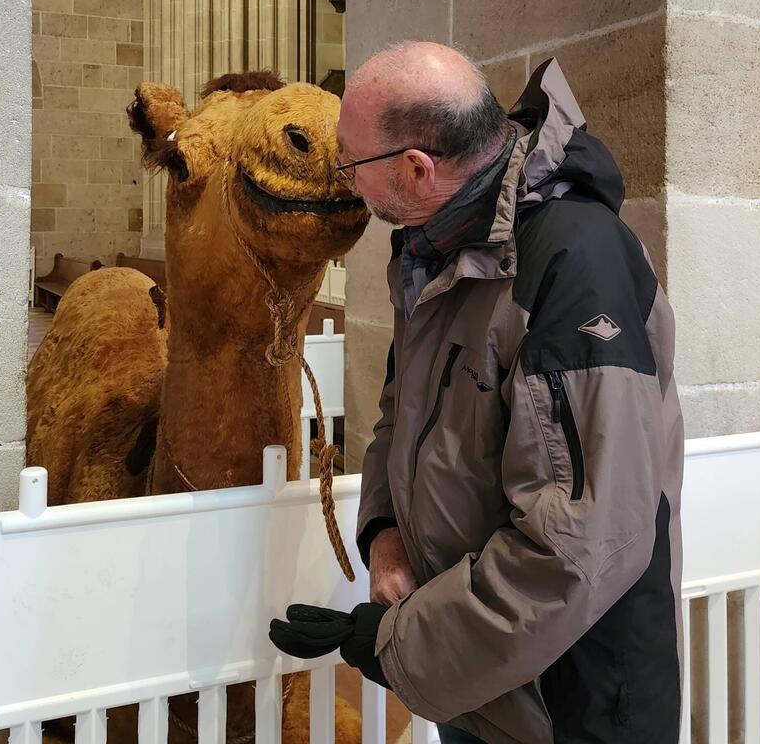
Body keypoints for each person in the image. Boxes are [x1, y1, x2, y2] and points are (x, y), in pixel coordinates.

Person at [269, 43, 684, 743]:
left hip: (569, 699)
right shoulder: (436, 246)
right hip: (476, 673)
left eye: (350, 162)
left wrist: (398, 646)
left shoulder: (576, 264)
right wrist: (385, 534)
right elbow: (401, 414)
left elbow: (581, 547)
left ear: (414, 167)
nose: (347, 183)